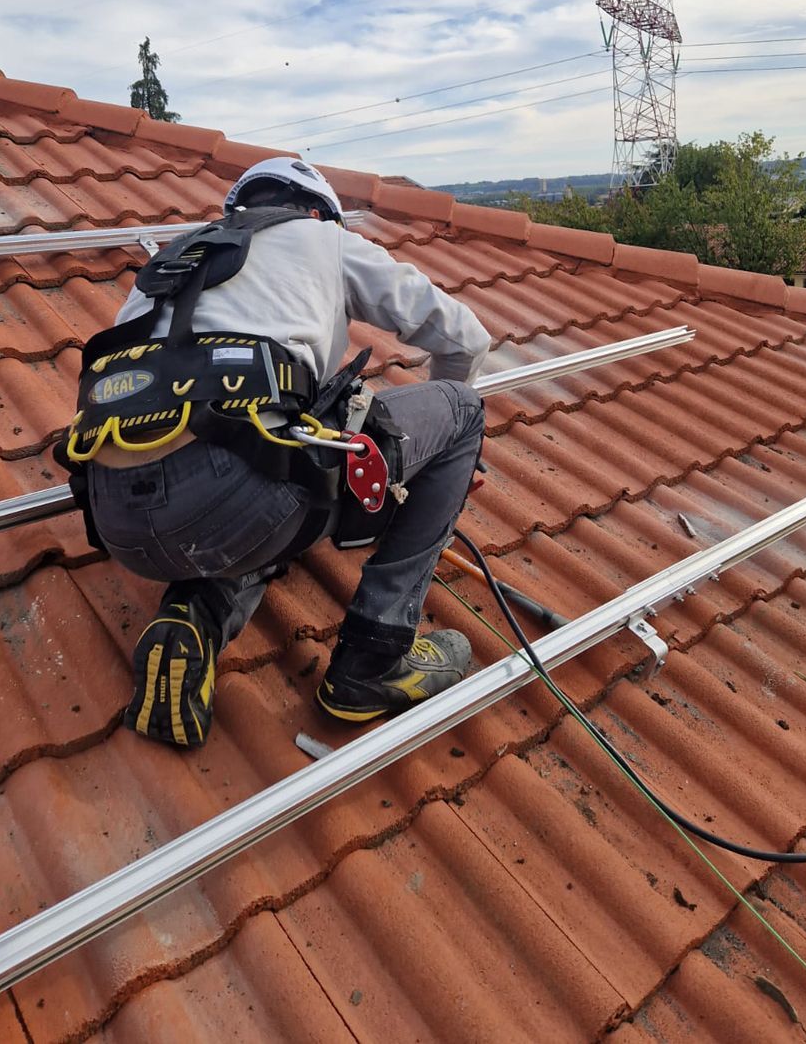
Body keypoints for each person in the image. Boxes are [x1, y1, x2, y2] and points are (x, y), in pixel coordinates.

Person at [66, 157, 491, 748]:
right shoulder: (325, 238)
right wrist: (432, 456)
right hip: (234, 492)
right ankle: (372, 659)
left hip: (114, 518)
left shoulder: (177, 255)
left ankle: (197, 614)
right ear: (319, 212)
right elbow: (464, 336)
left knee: (275, 454)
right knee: (456, 415)